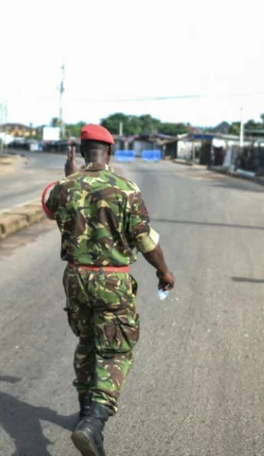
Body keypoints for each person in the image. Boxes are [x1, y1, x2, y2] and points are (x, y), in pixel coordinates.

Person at [44, 123, 175, 456]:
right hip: (111, 282)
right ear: (111, 152)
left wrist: (67, 176)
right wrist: (164, 271)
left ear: (81, 152)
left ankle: (86, 413)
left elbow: (48, 207)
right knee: (115, 350)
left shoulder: (66, 187)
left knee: (87, 341)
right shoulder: (126, 188)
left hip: (75, 279)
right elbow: (145, 240)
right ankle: (95, 420)